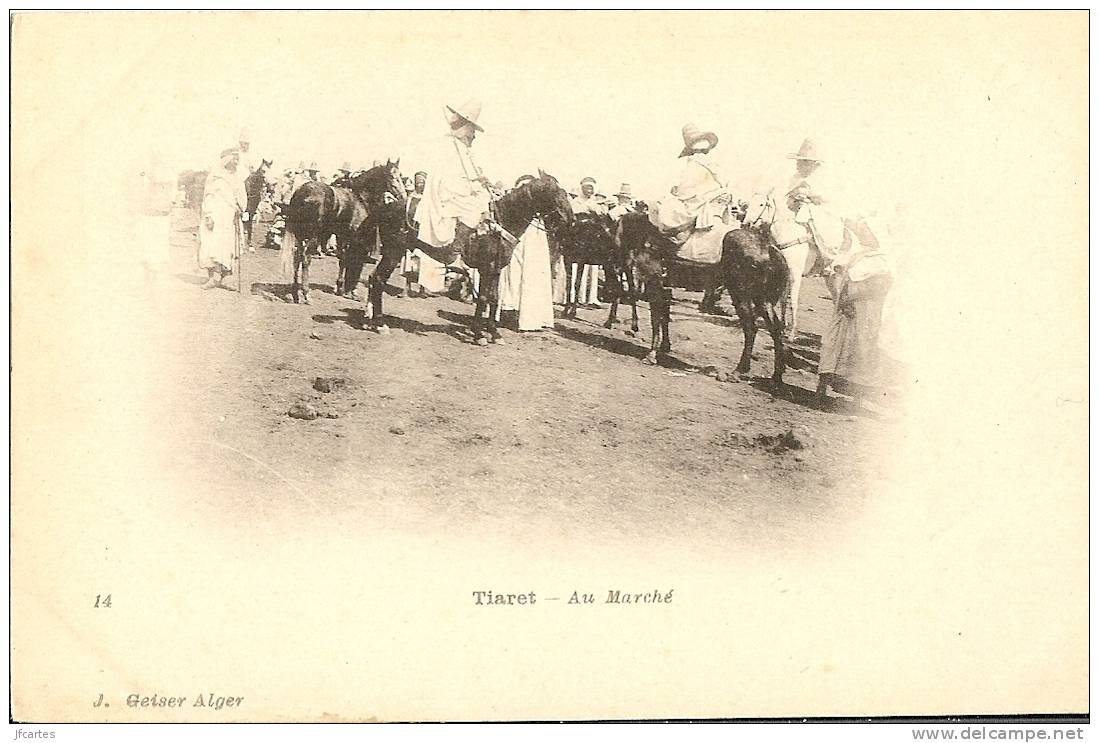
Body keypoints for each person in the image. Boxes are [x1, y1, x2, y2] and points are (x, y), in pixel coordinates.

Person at [816, 214, 893, 406]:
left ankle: (857, 398)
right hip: (844, 310)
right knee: (831, 344)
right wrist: (843, 300)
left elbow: (880, 286)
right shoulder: (858, 254)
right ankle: (821, 388)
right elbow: (842, 276)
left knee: (861, 350)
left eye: (868, 232)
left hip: (865, 312)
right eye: (863, 232)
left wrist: (853, 298)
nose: (864, 235)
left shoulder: (883, 260)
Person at [414, 98, 494, 262]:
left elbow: (470, 174)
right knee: (472, 209)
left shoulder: (463, 149)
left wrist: (480, 180)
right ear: (465, 128)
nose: (473, 136)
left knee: (486, 201)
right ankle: (456, 253)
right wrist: (470, 186)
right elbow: (449, 176)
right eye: (472, 130)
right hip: (446, 191)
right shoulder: (449, 146)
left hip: (459, 188)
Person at [649, 123, 733, 246]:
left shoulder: (693, 164)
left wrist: (676, 193)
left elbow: (686, 192)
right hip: (716, 200)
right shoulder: (714, 164)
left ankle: (673, 237)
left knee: (660, 204)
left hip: (699, 201)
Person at [496, 174, 555, 331]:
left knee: (534, 273)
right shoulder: (513, 203)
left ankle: (532, 316)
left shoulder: (542, 205)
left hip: (535, 235)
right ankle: (509, 311)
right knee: (512, 273)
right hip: (517, 233)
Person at [198, 147, 246, 289]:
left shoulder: (237, 178)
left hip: (229, 217)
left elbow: (242, 196)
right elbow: (208, 196)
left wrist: (240, 207)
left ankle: (225, 278)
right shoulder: (215, 177)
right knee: (211, 245)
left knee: (227, 247)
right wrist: (208, 215)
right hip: (214, 215)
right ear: (227, 160)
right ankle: (212, 277)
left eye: (238, 160)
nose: (236, 163)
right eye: (234, 159)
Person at [568, 176, 606, 307]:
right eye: (587, 188)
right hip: (578, 237)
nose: (589, 190)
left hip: (592, 238)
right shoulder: (576, 202)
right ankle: (576, 297)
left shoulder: (595, 203)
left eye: (591, 188)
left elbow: (602, 217)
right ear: (582, 188)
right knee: (576, 268)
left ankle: (592, 297)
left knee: (593, 268)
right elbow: (572, 217)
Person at [242, 158, 271, 251]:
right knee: (247, 218)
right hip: (248, 198)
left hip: (254, 199)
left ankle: (248, 241)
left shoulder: (260, 176)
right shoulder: (251, 177)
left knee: (250, 218)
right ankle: (246, 241)